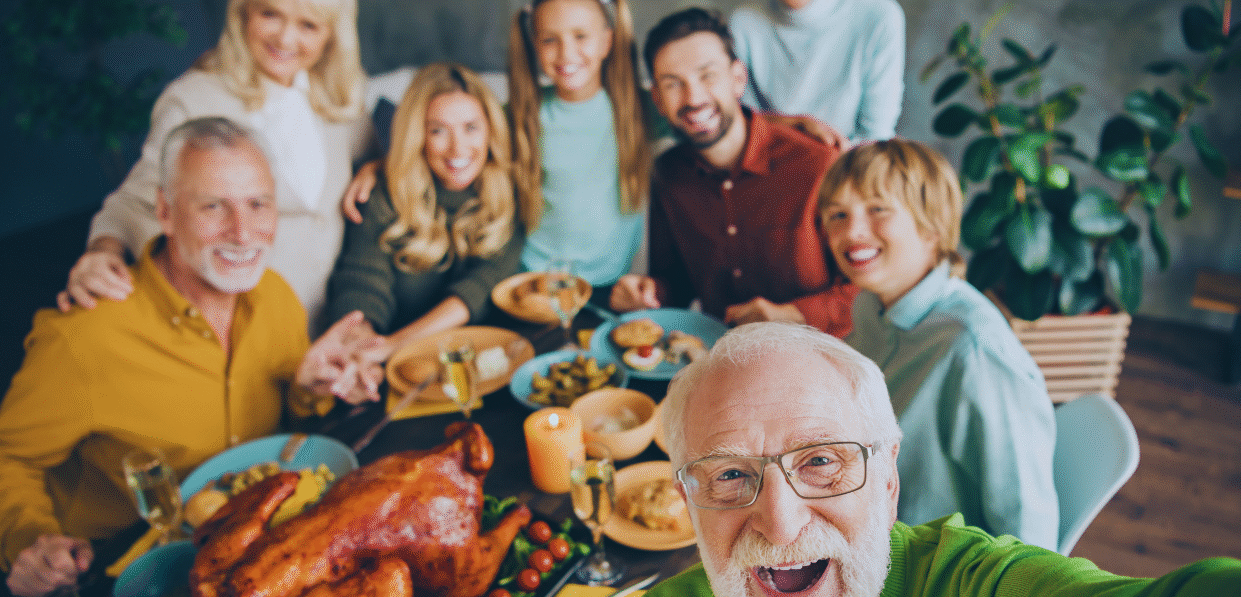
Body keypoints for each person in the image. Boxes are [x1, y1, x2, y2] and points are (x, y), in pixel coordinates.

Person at [591, 321, 1241, 597]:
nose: (779, 520)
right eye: (727, 476)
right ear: (688, 498)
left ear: (888, 480)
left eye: (821, 461)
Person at [0, 118, 381, 597]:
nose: (243, 232)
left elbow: (285, 416)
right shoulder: (86, 334)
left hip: (253, 550)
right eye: (213, 207)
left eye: (258, 204)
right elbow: (0, 460)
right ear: (165, 212)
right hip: (126, 574)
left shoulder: (275, 297)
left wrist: (312, 390)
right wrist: (27, 541)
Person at [61, 0, 370, 331]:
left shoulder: (341, 97)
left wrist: (374, 169)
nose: (285, 38)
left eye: (308, 25)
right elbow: (135, 202)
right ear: (243, 13)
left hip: (330, 326)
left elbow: (376, 165)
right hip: (233, 328)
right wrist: (102, 252)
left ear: (332, 35)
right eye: (270, 14)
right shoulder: (194, 99)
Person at [819, 140, 1057, 548]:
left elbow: (1027, 520)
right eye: (838, 215)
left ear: (932, 226)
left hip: (930, 567)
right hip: (860, 524)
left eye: (877, 209)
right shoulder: (869, 304)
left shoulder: (973, 350)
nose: (851, 231)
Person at [610, 8, 857, 336]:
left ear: (737, 79)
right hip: (720, 356)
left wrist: (793, 314)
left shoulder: (817, 164)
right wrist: (648, 291)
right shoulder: (667, 175)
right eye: (673, 84)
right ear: (657, 99)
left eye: (707, 75)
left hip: (818, 360)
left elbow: (867, 288)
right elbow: (677, 284)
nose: (693, 97)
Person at [324, 63, 523, 357]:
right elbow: (363, 282)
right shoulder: (382, 195)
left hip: (488, 357)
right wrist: (360, 341)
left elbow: (480, 286)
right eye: (438, 130)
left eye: (471, 128)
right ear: (418, 136)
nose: (457, 149)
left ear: (490, 129)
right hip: (399, 364)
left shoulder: (509, 192)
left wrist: (394, 345)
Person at [507, 0, 659, 290]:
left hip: (610, 286)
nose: (566, 53)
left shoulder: (639, 109)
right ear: (535, 46)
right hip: (534, 281)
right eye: (550, 40)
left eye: (581, 36)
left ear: (606, 41)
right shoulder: (518, 114)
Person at [730, 0, 905, 147]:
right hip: (770, 166)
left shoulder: (879, 16)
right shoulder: (743, 21)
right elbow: (742, 123)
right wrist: (796, 125)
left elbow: (875, 137)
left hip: (846, 174)